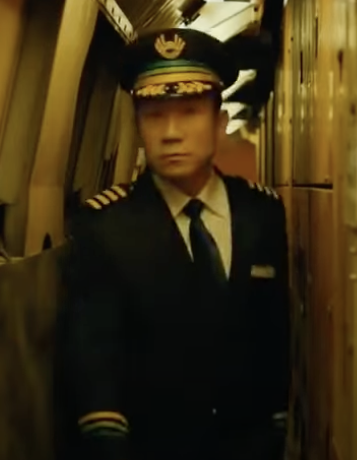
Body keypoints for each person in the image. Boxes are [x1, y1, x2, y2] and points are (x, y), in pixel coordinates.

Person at [56, 28, 291, 460]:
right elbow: (94, 359)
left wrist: (277, 432)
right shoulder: (106, 227)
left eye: (189, 113)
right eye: (154, 116)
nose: (170, 133)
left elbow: (275, 335)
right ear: (137, 125)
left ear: (220, 122)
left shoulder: (263, 215)